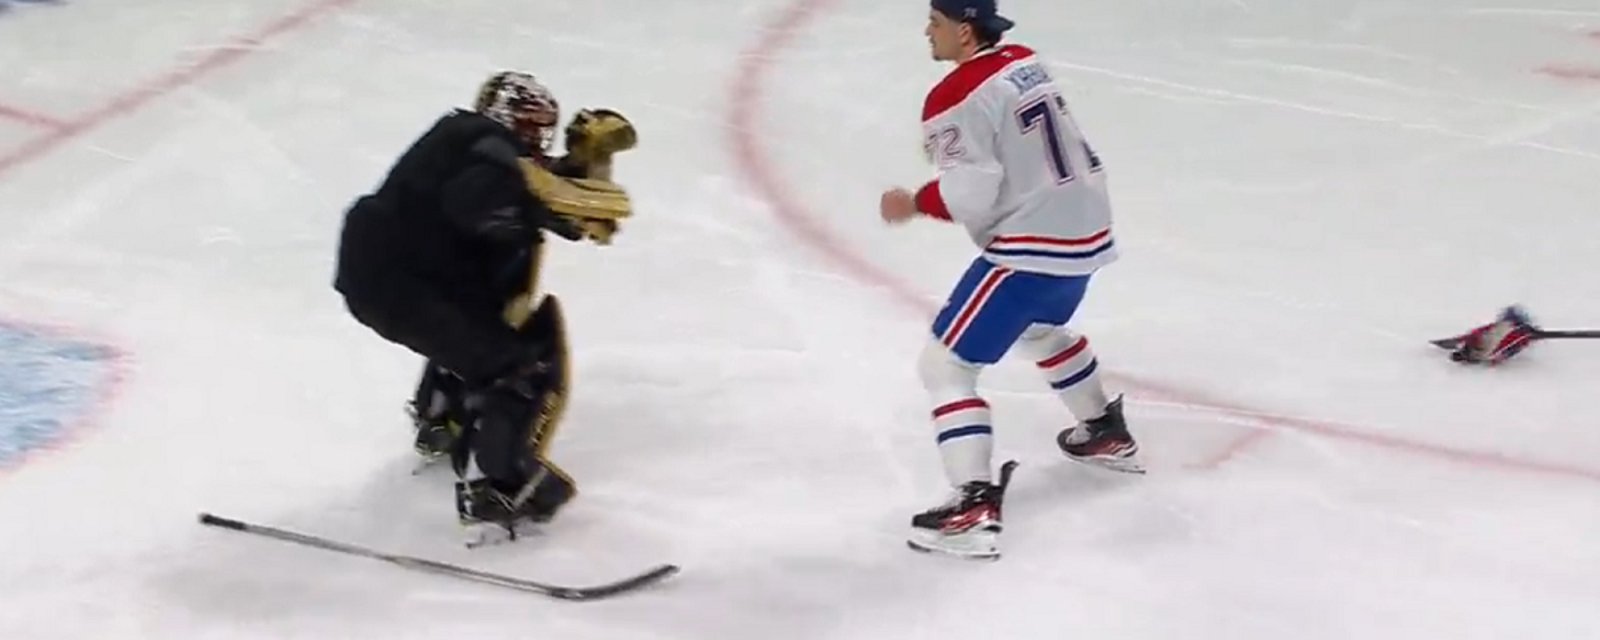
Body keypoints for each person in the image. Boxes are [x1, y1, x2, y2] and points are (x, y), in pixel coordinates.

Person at [879, 0, 1142, 560]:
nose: (928, 30)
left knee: (945, 365)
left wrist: (914, 201)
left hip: (1031, 248)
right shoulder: (1025, 61)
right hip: (1087, 232)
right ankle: (1102, 430)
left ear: (965, 31)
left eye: (937, 22)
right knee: (1042, 330)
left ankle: (972, 506)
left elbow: (971, 191)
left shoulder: (952, 96)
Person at [333, 70, 637, 541]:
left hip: (392, 278)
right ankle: (503, 487)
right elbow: (485, 202)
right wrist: (555, 207)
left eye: (544, 127)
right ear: (504, 117)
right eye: (530, 124)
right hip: (401, 288)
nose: (538, 137)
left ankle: (443, 419)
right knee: (522, 367)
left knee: (482, 321)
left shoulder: (468, 141)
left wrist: (578, 175)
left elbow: (524, 190)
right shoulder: (486, 150)